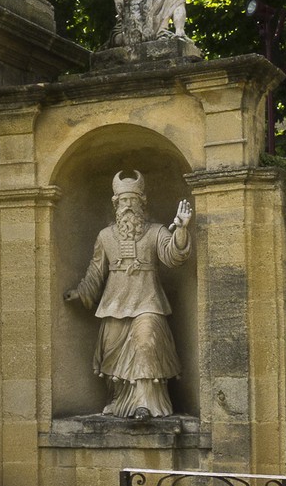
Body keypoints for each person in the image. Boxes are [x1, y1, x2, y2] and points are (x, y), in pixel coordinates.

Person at [64, 170, 193, 418]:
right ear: (116, 204)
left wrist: (181, 230)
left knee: (146, 343)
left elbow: (173, 256)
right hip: (114, 304)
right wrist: (81, 292)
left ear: (142, 202)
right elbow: (96, 272)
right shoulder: (105, 236)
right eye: (123, 200)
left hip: (148, 302)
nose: (128, 206)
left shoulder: (156, 232)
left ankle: (146, 404)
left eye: (133, 200)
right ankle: (121, 401)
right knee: (112, 355)